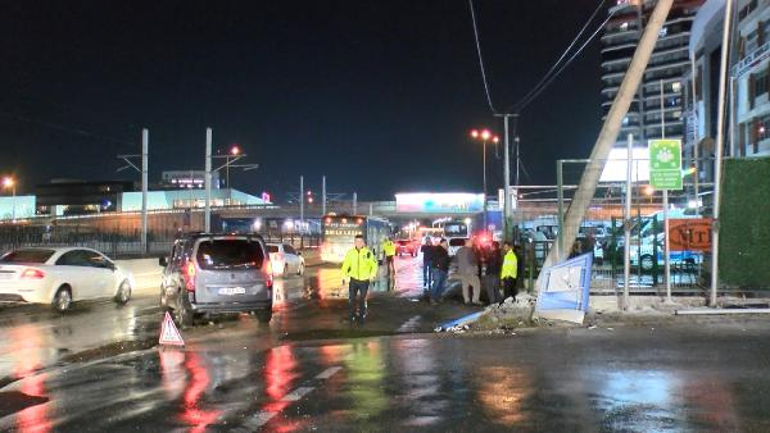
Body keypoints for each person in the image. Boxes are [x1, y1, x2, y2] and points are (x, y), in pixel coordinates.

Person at [341, 235, 378, 323]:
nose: (358, 243)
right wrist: (344, 276)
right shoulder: (350, 253)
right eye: (356, 241)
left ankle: (362, 315)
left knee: (362, 299)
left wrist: (372, 275)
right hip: (353, 279)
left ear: (363, 243)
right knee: (352, 298)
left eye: (360, 241)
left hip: (364, 280)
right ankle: (352, 315)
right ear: (354, 242)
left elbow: (374, 265)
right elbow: (346, 265)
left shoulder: (368, 253)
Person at [456, 238, 483, 305]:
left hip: (461, 271)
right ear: (467, 243)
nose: (472, 244)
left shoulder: (459, 250)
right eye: (470, 242)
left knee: (465, 286)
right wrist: (476, 269)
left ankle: (466, 300)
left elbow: (456, 260)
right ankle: (475, 300)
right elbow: (473, 262)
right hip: (470, 272)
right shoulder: (470, 251)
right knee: (477, 285)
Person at [430, 238, 450, 304]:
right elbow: (436, 255)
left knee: (442, 284)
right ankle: (433, 298)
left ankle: (438, 297)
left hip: (443, 269)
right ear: (441, 243)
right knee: (437, 283)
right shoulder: (438, 248)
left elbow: (447, 260)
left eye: (447, 243)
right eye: (445, 243)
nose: (446, 245)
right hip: (437, 269)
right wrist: (445, 250)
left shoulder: (445, 250)